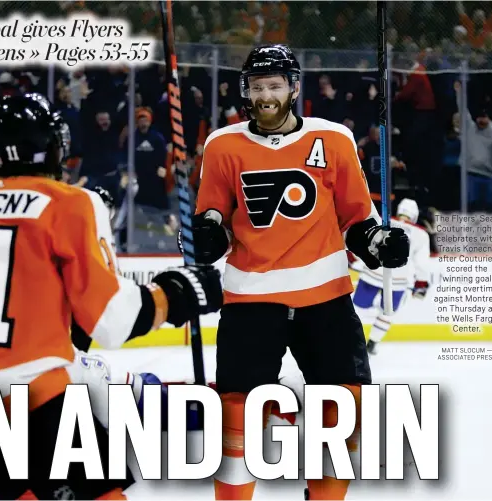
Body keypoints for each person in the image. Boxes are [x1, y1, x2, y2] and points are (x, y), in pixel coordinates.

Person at [0, 92, 223, 501]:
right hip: (30, 396)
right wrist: (177, 293)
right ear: (54, 148)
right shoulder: (69, 202)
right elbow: (112, 320)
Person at [181, 44, 410, 500]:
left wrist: (378, 242)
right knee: (237, 420)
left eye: (274, 86)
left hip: (325, 298)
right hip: (250, 299)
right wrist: (206, 237)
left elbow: (356, 220)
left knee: (344, 409)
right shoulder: (222, 145)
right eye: (257, 87)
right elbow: (214, 221)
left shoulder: (334, 139)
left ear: (293, 87)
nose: (265, 95)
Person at [352, 198, 431, 354]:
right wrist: (421, 283)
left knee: (357, 309)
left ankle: (351, 339)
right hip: (398, 281)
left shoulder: (380, 221)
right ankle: (373, 342)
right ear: (414, 216)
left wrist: (355, 261)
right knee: (388, 312)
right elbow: (422, 263)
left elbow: (361, 241)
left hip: (373, 273)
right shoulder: (421, 234)